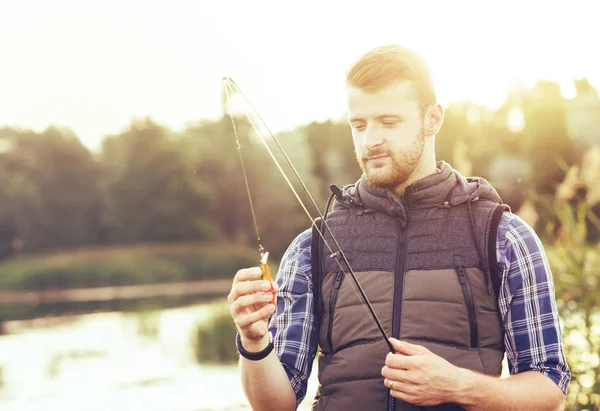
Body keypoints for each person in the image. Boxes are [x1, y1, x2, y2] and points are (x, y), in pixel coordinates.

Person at [227, 45, 571, 411]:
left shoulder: (504, 237)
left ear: (433, 118)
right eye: (359, 125)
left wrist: (458, 386)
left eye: (388, 122)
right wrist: (253, 340)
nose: (370, 140)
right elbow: (274, 405)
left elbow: (549, 387)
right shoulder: (310, 246)